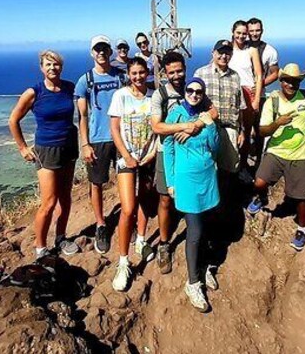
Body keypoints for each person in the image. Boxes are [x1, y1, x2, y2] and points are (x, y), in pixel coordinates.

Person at [9, 50, 80, 259]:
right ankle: (40, 248)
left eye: (56, 64)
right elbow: (13, 120)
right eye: (48, 65)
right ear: (41, 68)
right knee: (49, 202)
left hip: (68, 145)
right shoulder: (34, 92)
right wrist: (22, 147)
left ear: (61, 67)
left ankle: (61, 237)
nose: (52, 68)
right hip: (47, 149)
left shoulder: (69, 88)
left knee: (66, 198)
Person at [150, 51, 217, 274]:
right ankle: (164, 243)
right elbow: (156, 127)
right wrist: (183, 127)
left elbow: (212, 113)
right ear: (165, 73)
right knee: (166, 198)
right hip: (167, 151)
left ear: (185, 69)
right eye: (172, 72)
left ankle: (196, 237)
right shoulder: (160, 94)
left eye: (180, 70)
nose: (177, 75)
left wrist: (196, 125)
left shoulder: (194, 88)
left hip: (192, 154)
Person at [162, 78, 221, 312]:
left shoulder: (206, 117)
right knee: (194, 231)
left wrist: (209, 126)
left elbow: (215, 146)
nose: (194, 94)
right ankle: (193, 282)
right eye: (190, 90)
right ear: (184, 92)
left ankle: (203, 266)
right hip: (185, 179)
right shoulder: (175, 115)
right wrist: (171, 181)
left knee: (207, 227)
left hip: (207, 177)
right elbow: (168, 147)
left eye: (199, 91)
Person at [246, 63, 305, 251]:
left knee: (301, 198)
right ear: (281, 81)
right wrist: (278, 123)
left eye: (295, 81)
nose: (291, 84)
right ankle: (261, 198)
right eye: (287, 81)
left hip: (301, 155)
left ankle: (301, 229)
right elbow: (261, 130)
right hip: (276, 151)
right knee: (259, 183)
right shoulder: (273, 101)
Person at [109, 58, 159, 291]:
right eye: (134, 73)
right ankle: (123, 262)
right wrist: (126, 155)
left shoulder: (154, 96)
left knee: (145, 202)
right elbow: (115, 129)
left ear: (147, 72)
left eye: (142, 72)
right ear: (128, 74)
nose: (138, 76)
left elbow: (159, 126)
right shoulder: (120, 95)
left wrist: (151, 154)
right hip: (126, 159)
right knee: (128, 208)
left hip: (148, 157)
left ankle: (141, 239)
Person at [75, 35, 126, 255]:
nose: (102, 52)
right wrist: (85, 144)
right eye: (98, 49)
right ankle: (101, 224)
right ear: (92, 52)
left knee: (125, 179)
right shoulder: (85, 80)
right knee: (97, 183)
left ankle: (125, 219)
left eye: (105, 48)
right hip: (98, 139)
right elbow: (83, 116)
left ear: (110, 51)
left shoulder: (122, 76)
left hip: (122, 137)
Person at [194, 40, 247, 174]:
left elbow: (239, 105)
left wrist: (241, 131)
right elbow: (193, 103)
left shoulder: (235, 76)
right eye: (220, 52)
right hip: (206, 130)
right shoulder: (200, 74)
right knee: (206, 169)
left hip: (229, 130)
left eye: (227, 53)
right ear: (213, 53)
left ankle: (227, 195)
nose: (224, 56)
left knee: (229, 172)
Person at [228, 21, 263, 172]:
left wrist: (256, 100)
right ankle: (230, 162)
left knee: (246, 131)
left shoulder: (252, 50)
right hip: (230, 93)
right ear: (233, 32)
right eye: (239, 33)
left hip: (248, 93)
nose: (241, 36)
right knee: (231, 128)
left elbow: (259, 75)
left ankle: (242, 165)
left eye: (244, 33)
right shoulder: (227, 50)